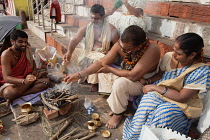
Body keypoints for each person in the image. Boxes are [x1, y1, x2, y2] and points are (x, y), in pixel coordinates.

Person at [64, 25, 160, 129]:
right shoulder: (120, 45)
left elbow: (133, 76)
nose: (123, 50)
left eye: (127, 49)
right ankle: (119, 106)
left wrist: (110, 69)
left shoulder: (152, 49)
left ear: (139, 46)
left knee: (119, 83)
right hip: (128, 73)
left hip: (144, 81)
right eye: (122, 47)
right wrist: (79, 75)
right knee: (103, 71)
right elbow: (101, 63)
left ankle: (118, 114)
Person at [122, 33, 210, 139]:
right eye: (174, 50)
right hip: (164, 95)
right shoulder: (169, 57)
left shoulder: (201, 71)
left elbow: (182, 97)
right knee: (148, 99)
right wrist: (147, 82)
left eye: (178, 53)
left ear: (192, 55)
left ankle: (151, 137)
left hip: (183, 105)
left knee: (163, 112)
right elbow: (160, 75)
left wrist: (155, 87)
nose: (174, 54)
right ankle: (134, 135)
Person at [63, 4, 119, 92]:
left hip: (102, 55)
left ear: (103, 16)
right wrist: (69, 52)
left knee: (98, 60)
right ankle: (70, 74)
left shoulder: (112, 30)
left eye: (96, 18)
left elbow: (117, 48)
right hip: (88, 52)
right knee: (71, 54)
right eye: (91, 18)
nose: (93, 20)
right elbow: (75, 40)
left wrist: (108, 53)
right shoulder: (86, 28)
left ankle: (94, 83)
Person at [0, 30, 50, 101]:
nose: (24, 44)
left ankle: (19, 95)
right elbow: (7, 78)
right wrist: (24, 81)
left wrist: (32, 74)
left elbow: (32, 67)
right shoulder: (6, 55)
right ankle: (17, 94)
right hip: (14, 82)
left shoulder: (27, 51)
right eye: (20, 42)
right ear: (12, 42)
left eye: (25, 42)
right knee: (8, 93)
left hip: (26, 80)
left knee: (46, 82)